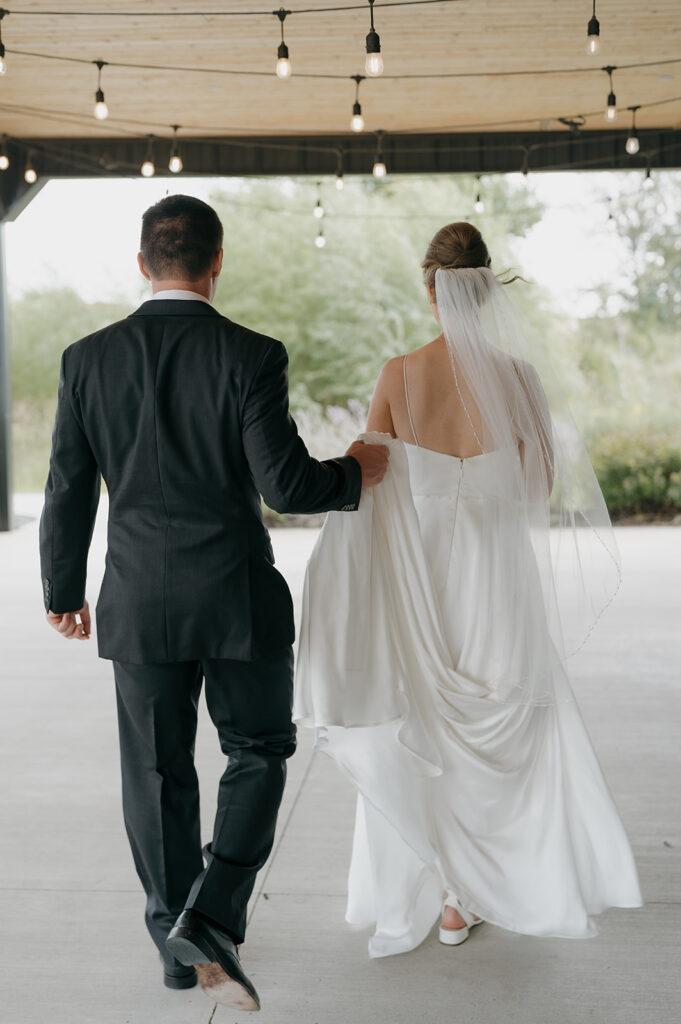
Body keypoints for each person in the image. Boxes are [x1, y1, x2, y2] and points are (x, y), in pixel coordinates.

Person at [39, 194, 388, 1011]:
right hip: (235, 598)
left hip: (137, 600)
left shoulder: (86, 359)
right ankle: (213, 913)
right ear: (216, 262)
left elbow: (66, 488)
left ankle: (176, 939)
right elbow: (288, 484)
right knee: (259, 750)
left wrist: (62, 589)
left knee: (156, 773)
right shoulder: (251, 353)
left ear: (140, 265)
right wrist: (357, 471)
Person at [294, 222, 643, 958]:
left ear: (431, 292)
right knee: (503, 713)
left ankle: (435, 884)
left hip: (421, 577)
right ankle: (478, 892)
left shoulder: (398, 373)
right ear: (486, 292)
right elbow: (539, 488)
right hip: (494, 574)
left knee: (421, 721)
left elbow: (368, 478)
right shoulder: (520, 379)